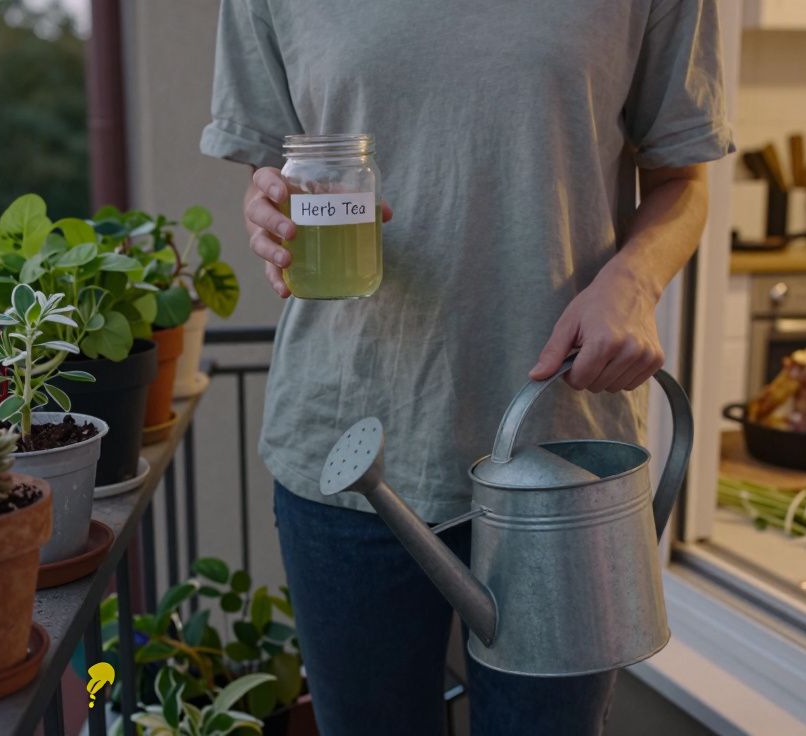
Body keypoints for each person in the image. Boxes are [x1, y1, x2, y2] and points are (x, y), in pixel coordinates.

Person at [200, 1, 732, 733]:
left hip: (562, 455)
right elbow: (282, 165)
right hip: (351, 449)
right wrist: (268, 210)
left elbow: (683, 180)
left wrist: (633, 284)